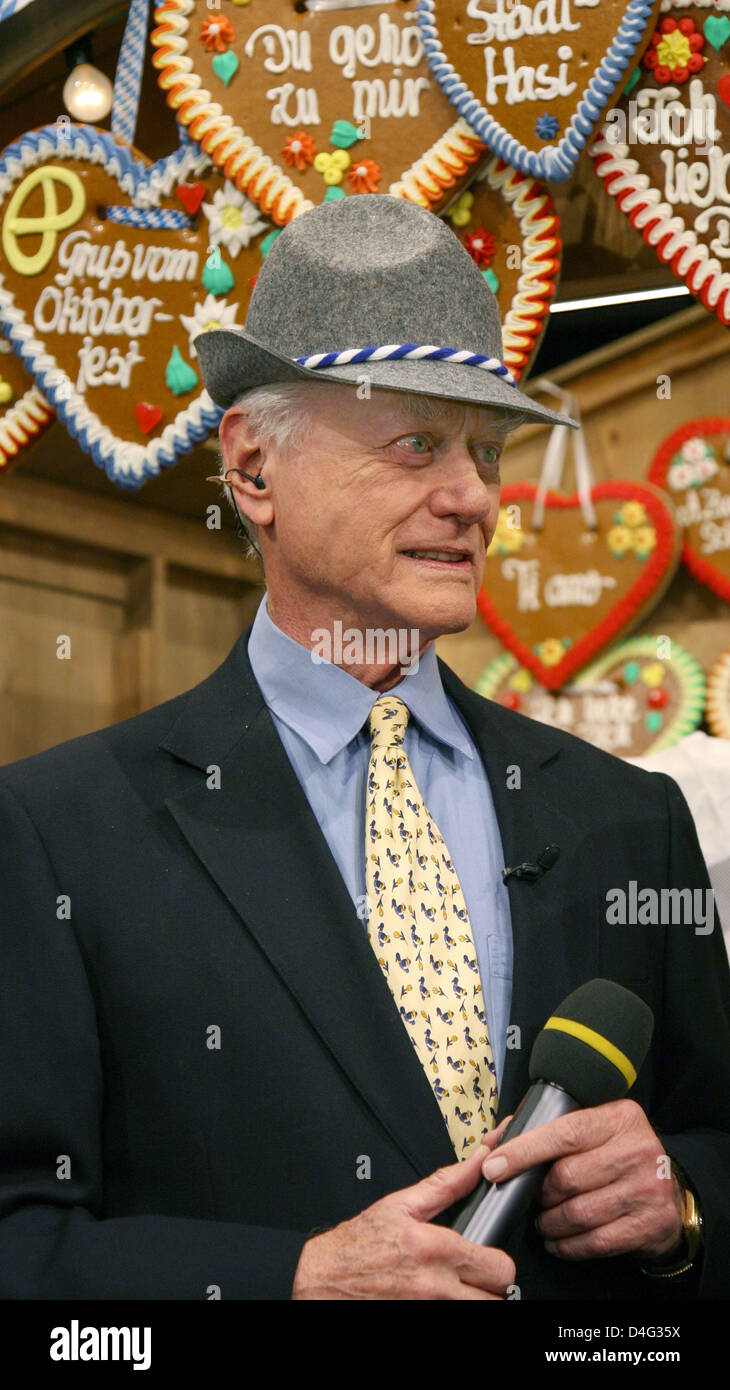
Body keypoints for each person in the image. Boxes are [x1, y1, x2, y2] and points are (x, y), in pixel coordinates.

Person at [1, 196, 728, 1301]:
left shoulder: (632, 817)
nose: (475, 497)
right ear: (252, 469)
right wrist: (286, 1281)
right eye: (417, 444)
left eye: (486, 450)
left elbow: (712, 1140)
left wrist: (677, 1203)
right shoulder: (56, 832)